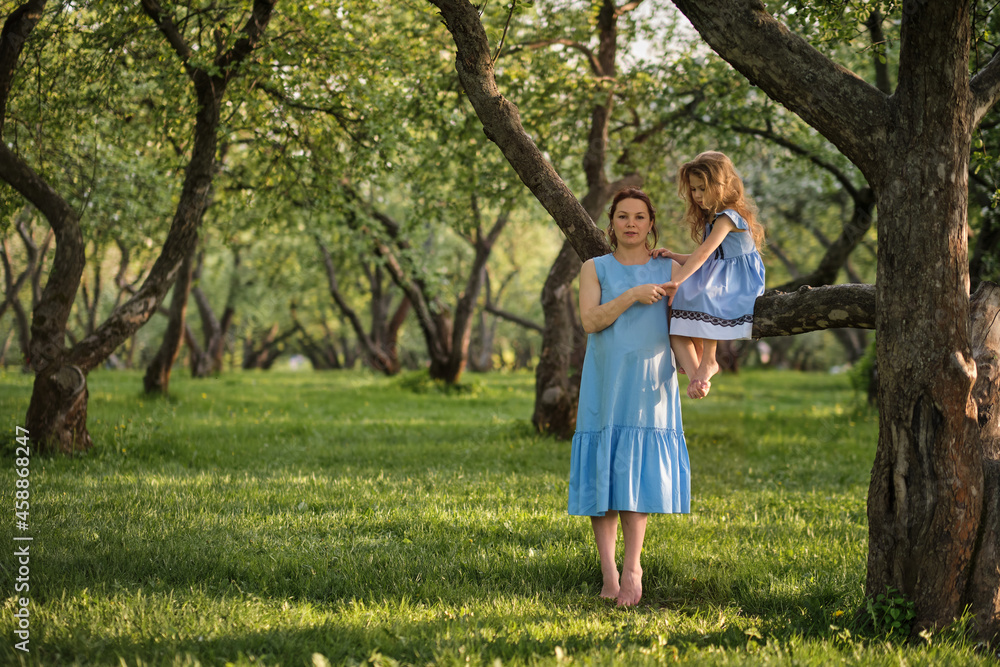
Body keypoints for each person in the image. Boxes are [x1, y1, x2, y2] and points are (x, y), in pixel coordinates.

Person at [568, 187, 690, 607]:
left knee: (635, 476)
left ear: (651, 223)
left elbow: (713, 280)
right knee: (604, 475)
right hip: (606, 382)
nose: (632, 224)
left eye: (640, 217)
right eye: (623, 216)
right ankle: (608, 573)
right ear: (612, 223)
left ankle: (634, 568)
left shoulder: (669, 268)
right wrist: (632, 296)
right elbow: (590, 320)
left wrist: (697, 370)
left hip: (650, 383)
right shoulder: (594, 268)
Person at [655, 151, 765, 398]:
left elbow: (705, 253)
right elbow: (707, 257)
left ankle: (709, 360)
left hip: (739, 279)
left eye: (702, 188)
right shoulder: (711, 219)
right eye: (693, 189)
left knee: (705, 292)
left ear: (721, 185)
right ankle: (698, 380)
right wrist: (673, 256)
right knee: (675, 326)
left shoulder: (728, 218)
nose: (697, 196)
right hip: (720, 272)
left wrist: (677, 280)